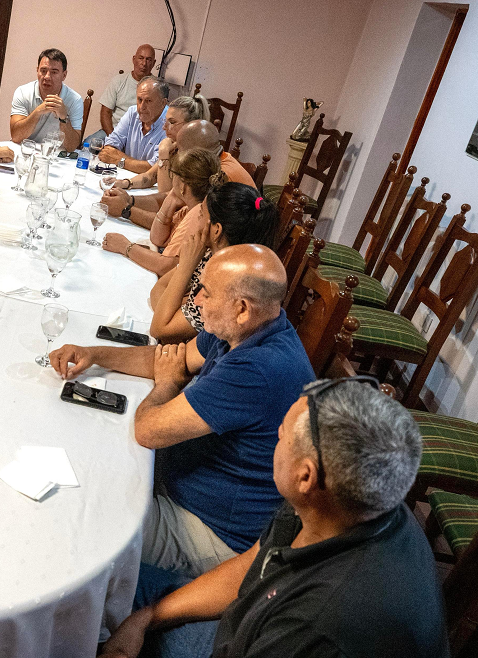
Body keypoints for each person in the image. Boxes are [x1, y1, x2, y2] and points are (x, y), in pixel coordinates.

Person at [100, 379, 449, 658]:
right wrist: (146, 617)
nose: (276, 437)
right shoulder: (346, 501)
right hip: (249, 622)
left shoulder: (317, 624)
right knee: (107, 580)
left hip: (263, 638)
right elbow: (252, 568)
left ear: (305, 476)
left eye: (281, 433)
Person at [50, 245, 315, 579]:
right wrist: (94, 354)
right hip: (182, 481)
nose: (197, 299)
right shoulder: (245, 328)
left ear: (242, 309)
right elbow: (170, 359)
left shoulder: (258, 369)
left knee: (79, 514)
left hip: (211, 533)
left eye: (206, 292)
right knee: (85, 453)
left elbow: (148, 430)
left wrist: (166, 384)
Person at [149, 183, 278, 343]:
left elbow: (159, 329)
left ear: (216, 230)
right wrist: (167, 313)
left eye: (200, 214)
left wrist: (185, 267)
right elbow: (158, 289)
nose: (196, 219)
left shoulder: (225, 282)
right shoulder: (210, 254)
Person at [102, 119, 253, 228]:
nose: (175, 153)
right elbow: (171, 197)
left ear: (195, 153)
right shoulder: (211, 160)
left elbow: (174, 227)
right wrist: (129, 200)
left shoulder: (218, 176)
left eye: (179, 150)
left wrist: (126, 210)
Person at [102, 148, 224, 276]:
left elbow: (166, 266)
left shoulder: (198, 214)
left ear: (183, 186)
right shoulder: (189, 207)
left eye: (172, 174)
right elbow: (157, 239)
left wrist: (125, 246)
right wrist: (169, 201)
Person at [102, 94, 209, 220]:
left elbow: (166, 199)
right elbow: (150, 176)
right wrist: (125, 183)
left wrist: (163, 155)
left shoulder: (196, 160)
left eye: (172, 122)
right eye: (165, 121)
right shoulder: (176, 147)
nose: (164, 127)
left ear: (191, 126)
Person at [9, 48, 83, 150]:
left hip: (55, 154)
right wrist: (38, 112)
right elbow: (16, 137)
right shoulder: (23, 92)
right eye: (43, 71)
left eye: (54, 72)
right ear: (37, 71)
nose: (47, 77)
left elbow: (72, 147)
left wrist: (63, 117)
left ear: (64, 75)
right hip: (25, 150)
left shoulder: (75, 100)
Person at [98, 77, 170, 173]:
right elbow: (110, 146)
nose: (141, 107)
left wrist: (120, 160)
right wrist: (135, 165)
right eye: (139, 99)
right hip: (126, 175)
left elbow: (156, 169)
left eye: (148, 101)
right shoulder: (133, 112)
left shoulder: (171, 124)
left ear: (163, 103)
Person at [98, 44, 157, 135]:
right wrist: (113, 138)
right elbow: (105, 112)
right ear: (134, 59)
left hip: (139, 135)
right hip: (113, 131)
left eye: (148, 59)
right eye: (141, 58)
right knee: (89, 141)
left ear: (153, 63)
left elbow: (157, 120)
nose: (144, 63)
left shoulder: (157, 88)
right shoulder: (118, 81)